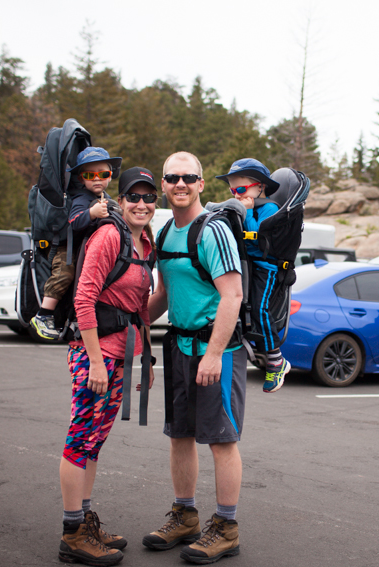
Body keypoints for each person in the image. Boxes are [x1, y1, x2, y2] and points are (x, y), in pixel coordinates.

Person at [144, 151, 245, 564]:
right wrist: (126, 328)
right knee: (180, 436)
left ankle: (226, 527)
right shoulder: (165, 231)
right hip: (178, 348)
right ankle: (185, 515)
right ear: (164, 185)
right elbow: (165, 296)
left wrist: (214, 354)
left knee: (222, 440)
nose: (180, 184)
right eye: (172, 178)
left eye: (188, 177)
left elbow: (232, 295)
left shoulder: (213, 231)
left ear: (202, 184)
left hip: (214, 353)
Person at [58, 167, 158, 566]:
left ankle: (84, 520)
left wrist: (147, 358)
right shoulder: (108, 236)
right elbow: (84, 299)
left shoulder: (145, 245)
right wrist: (96, 361)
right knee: (79, 439)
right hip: (94, 356)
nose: (141, 204)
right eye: (133, 196)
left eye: (149, 197)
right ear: (120, 200)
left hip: (121, 355)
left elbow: (139, 309)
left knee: (95, 441)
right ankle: (72, 534)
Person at [31, 147, 122, 340]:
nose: (97, 179)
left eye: (103, 174)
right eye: (90, 175)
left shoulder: (106, 199)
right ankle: (43, 314)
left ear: (110, 176)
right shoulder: (81, 199)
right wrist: (92, 213)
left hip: (89, 248)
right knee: (65, 273)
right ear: (82, 179)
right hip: (69, 248)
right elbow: (74, 222)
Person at [215, 158, 289, 393]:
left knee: (259, 309)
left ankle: (277, 359)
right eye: (232, 190)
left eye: (241, 189)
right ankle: (256, 348)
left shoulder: (268, 209)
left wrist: (246, 213)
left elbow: (258, 240)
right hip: (249, 268)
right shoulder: (244, 207)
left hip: (265, 268)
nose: (236, 195)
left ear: (260, 187)